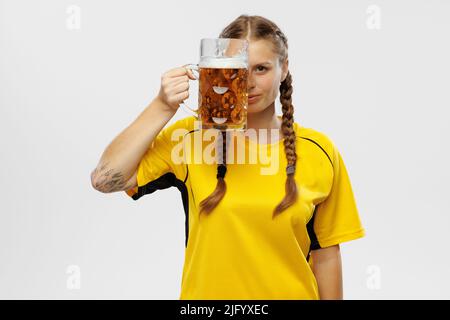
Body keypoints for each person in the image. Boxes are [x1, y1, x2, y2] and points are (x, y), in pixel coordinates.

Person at [90, 14, 365, 300]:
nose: (248, 83)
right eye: (239, 70)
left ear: (284, 69)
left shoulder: (318, 149)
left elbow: (327, 254)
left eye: (261, 69)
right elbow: (104, 179)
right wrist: (161, 106)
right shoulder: (192, 139)